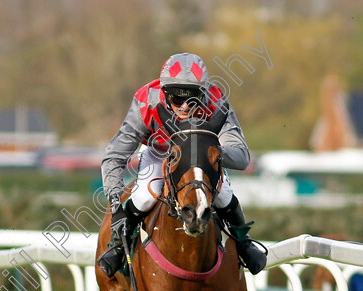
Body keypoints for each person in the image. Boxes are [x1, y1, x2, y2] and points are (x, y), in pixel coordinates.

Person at [97, 52, 266, 277]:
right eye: (177, 99)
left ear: (204, 93)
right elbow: (114, 156)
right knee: (146, 196)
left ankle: (244, 243)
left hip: (202, 158)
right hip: (161, 154)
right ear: (165, 93)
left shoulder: (216, 102)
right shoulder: (146, 101)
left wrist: (208, 153)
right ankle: (118, 245)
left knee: (223, 194)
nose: (185, 106)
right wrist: (116, 202)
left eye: (193, 99)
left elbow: (242, 157)